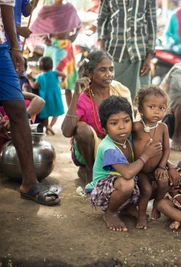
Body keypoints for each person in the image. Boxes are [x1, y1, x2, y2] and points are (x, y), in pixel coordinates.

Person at [0, 1, 59, 205]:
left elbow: (5, 5)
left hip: (1, 46)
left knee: (17, 108)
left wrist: (14, 46)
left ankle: (29, 182)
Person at [86, 95, 163, 232]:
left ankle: (127, 207)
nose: (122, 127)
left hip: (123, 183)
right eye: (114, 123)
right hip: (102, 191)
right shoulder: (109, 148)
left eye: (126, 121)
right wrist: (146, 155)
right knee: (127, 183)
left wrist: (167, 166)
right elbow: (127, 173)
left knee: (161, 178)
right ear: (104, 128)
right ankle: (111, 212)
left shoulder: (128, 138)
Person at [61, 51, 133, 184]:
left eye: (111, 69)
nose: (109, 74)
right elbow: (66, 131)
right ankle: (90, 171)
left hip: (116, 144)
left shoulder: (119, 90)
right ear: (89, 74)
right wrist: (76, 95)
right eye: (102, 70)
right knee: (82, 130)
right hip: (90, 149)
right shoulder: (83, 98)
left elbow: (133, 121)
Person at [97, 0, 157, 101]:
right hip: (115, 54)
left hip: (140, 56)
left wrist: (149, 57)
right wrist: (103, 52)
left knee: (141, 100)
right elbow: (101, 20)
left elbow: (152, 25)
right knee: (114, 99)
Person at [132, 85, 170, 229]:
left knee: (164, 182)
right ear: (141, 109)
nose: (156, 111)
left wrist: (162, 166)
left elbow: (166, 149)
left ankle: (157, 205)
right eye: (151, 106)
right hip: (141, 170)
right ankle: (141, 215)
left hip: (157, 168)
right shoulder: (135, 128)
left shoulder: (163, 128)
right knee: (146, 190)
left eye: (161, 108)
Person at [30, 0, 81, 107]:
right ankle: (47, 115)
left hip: (66, 49)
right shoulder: (46, 10)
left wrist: (74, 36)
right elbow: (35, 28)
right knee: (49, 83)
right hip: (51, 48)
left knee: (68, 84)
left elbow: (79, 25)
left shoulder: (69, 9)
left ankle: (72, 114)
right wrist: (44, 39)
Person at [26, 56, 65, 135]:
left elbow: (34, 86)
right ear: (51, 65)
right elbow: (64, 75)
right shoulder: (55, 73)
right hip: (55, 95)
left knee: (46, 114)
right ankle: (50, 126)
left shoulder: (40, 77)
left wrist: (29, 79)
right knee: (56, 113)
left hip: (44, 97)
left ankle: (47, 127)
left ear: (40, 66)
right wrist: (62, 81)